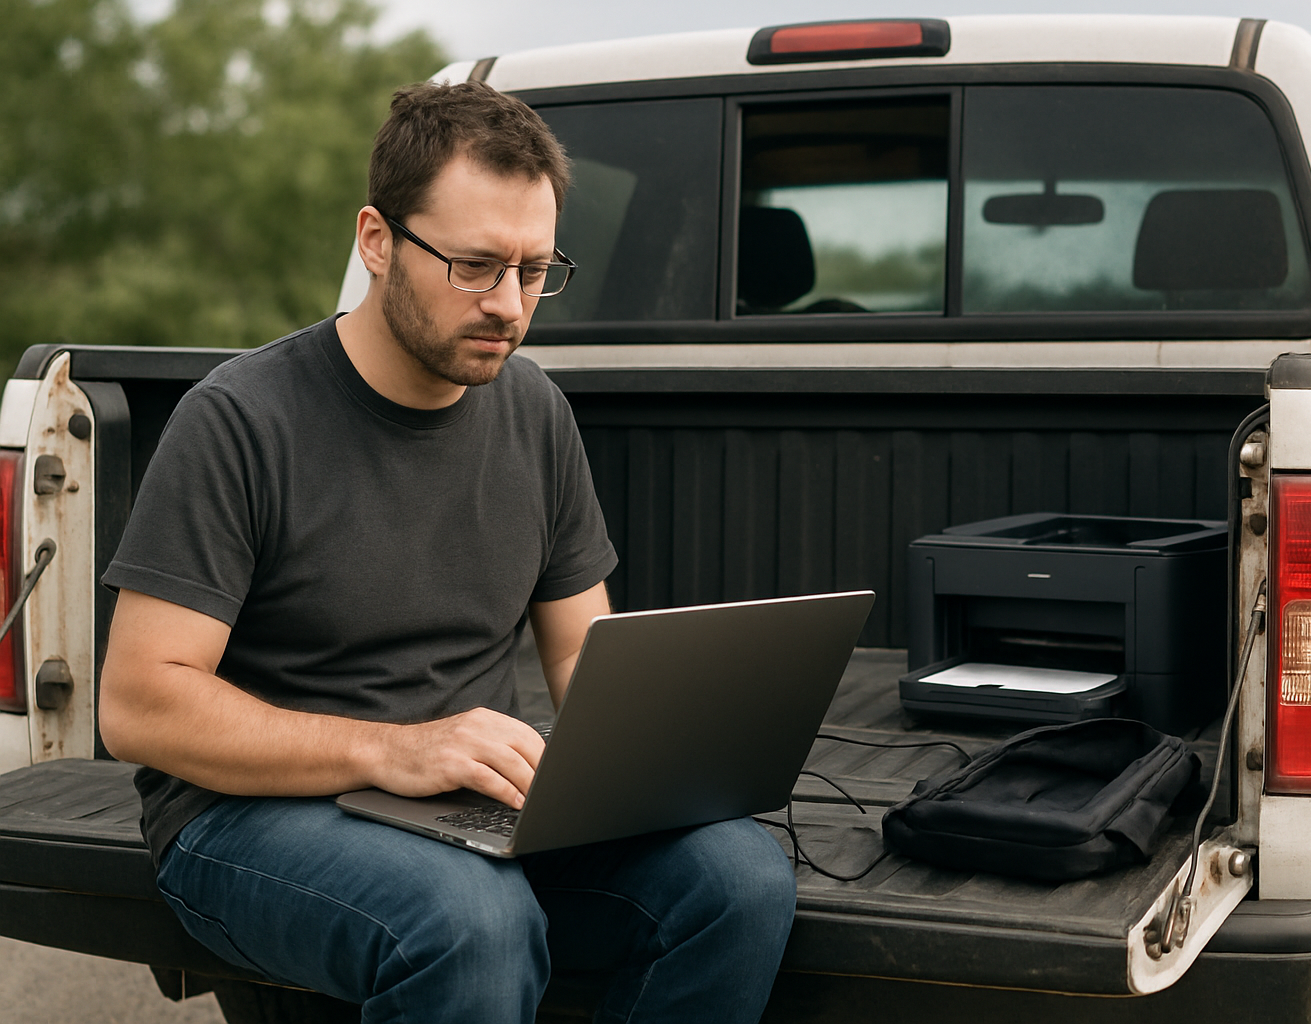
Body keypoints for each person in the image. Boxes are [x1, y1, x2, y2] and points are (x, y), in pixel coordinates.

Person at [96, 81, 797, 1023]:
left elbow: (586, 658)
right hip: (244, 817)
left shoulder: (534, 410)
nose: (510, 305)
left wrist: (665, 758)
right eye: (475, 267)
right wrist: (398, 750)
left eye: (535, 270)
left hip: (465, 807)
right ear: (377, 241)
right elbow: (140, 707)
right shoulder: (240, 419)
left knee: (740, 879)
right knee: (471, 922)